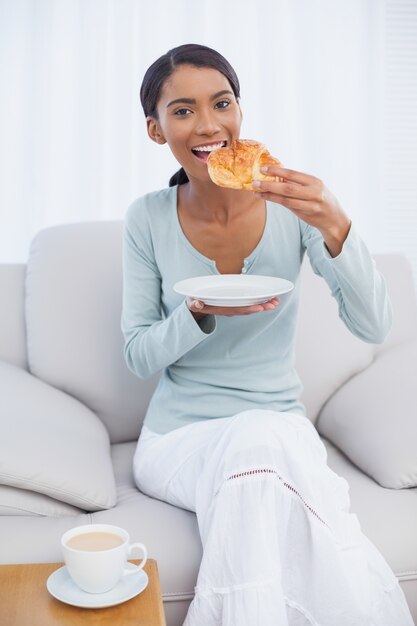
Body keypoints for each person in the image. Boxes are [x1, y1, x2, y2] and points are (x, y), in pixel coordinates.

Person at [122, 43, 413, 626]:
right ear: (156, 130)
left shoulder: (288, 207)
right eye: (182, 111)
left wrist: (334, 222)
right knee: (258, 448)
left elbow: (374, 326)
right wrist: (197, 313)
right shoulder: (147, 217)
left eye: (221, 103)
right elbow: (136, 355)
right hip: (179, 438)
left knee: (259, 444)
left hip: (279, 429)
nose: (208, 125)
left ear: (240, 112)